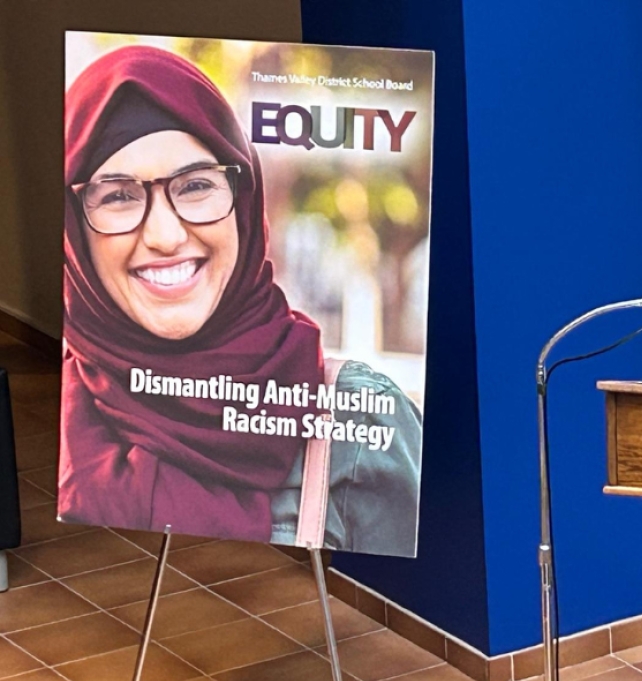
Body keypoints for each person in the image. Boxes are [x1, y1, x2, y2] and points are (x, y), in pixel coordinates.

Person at [59, 46, 422, 557]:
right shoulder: (65, 406)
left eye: (196, 185)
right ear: (75, 227)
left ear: (244, 202)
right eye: (117, 195)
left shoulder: (358, 420)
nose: (165, 235)